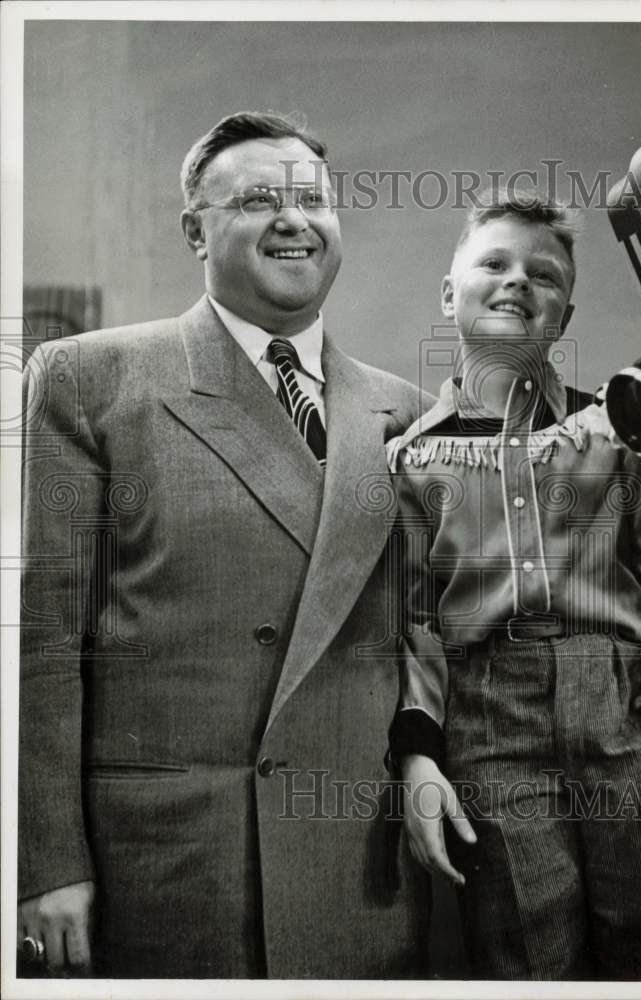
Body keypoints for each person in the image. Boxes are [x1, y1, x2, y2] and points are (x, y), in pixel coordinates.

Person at [16, 111, 433, 979]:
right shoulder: (91, 378)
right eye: (255, 200)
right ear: (195, 231)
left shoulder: (405, 410)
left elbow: (436, 635)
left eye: (312, 198)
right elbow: (44, 643)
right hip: (173, 863)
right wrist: (46, 864)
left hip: (357, 860)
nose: (293, 219)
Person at [387, 190, 641, 980]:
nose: (519, 281)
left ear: (563, 315)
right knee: (526, 946)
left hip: (622, 715)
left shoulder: (622, 430)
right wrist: (419, 756)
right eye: (494, 263)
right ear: (450, 294)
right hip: (489, 730)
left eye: (545, 275)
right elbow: (418, 621)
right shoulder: (410, 461)